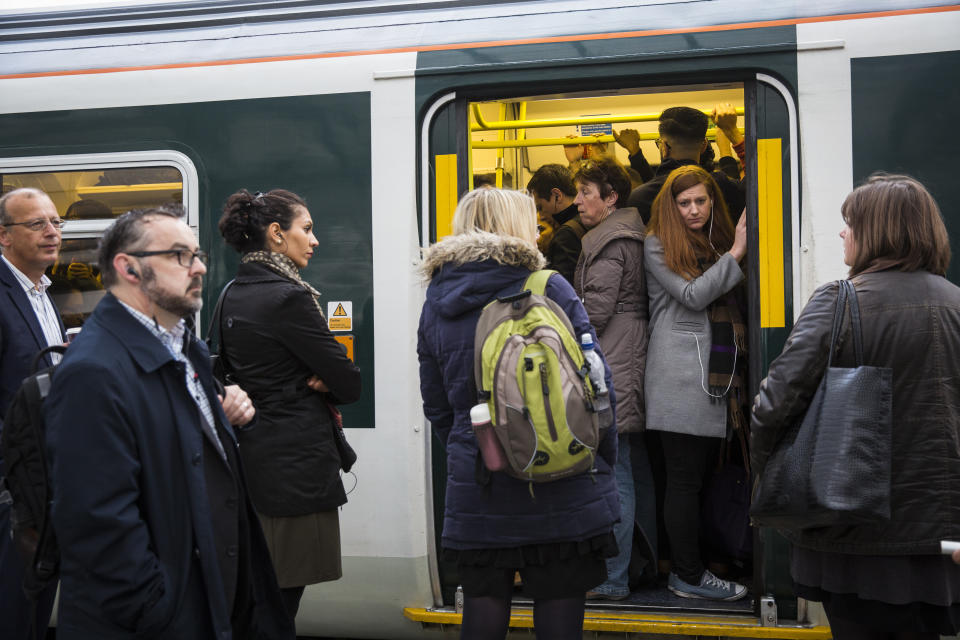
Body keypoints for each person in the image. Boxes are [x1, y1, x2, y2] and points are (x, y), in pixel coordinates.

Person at [44, 206, 294, 639]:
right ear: (129, 268)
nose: (198, 267)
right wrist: (158, 609)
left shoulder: (184, 348)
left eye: (198, 255)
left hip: (207, 602)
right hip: (164, 618)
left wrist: (226, 418)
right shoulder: (94, 371)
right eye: (179, 256)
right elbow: (97, 521)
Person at [751, 174, 960, 638]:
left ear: (879, 232)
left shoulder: (839, 302)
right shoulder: (956, 305)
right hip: (941, 539)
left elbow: (773, 406)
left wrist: (770, 474)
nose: (843, 233)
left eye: (850, 223)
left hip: (856, 538)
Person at [418, 187, 620, 640]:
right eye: (530, 221)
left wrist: (475, 450)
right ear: (515, 227)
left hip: (481, 479)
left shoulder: (438, 300)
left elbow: (436, 404)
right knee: (559, 610)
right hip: (561, 474)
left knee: (484, 610)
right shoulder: (550, 288)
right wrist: (601, 458)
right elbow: (598, 385)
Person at [217, 188, 362, 622]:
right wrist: (324, 383)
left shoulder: (231, 292)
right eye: (308, 228)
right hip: (294, 471)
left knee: (256, 598)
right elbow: (348, 381)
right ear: (277, 234)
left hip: (252, 463)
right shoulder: (289, 298)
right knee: (279, 605)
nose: (315, 240)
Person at [644, 165, 748, 601]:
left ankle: (697, 566)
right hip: (679, 376)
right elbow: (693, 295)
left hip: (708, 377)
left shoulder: (714, 242)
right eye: (683, 203)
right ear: (670, 206)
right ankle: (686, 576)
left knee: (699, 479)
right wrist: (739, 251)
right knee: (684, 480)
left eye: (700, 201)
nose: (693, 210)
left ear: (712, 202)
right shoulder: (655, 244)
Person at [570, 159, 654, 600]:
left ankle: (613, 577)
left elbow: (593, 312)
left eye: (586, 192)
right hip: (630, 351)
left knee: (616, 470)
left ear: (611, 197)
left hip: (613, 356)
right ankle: (642, 565)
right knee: (635, 468)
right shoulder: (630, 235)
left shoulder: (607, 241)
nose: (577, 200)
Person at [0, 188, 64, 639]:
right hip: (12, 487)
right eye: (37, 224)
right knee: (12, 608)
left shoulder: (42, 292)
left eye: (56, 222)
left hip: (47, 477)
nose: (52, 232)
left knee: (38, 603)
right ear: (3, 237)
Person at [627, 106, 744, 224]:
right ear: (704, 146)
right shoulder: (721, 187)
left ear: (664, 147)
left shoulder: (640, 198)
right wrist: (732, 132)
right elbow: (757, 186)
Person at [526, 164, 583, 285]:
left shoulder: (566, 235)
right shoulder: (587, 219)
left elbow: (561, 289)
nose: (540, 216)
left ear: (557, 196)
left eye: (540, 207)